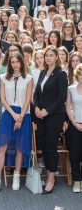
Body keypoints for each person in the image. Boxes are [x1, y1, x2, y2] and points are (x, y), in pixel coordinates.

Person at [0, 53, 33, 193]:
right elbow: (2, 99)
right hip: (8, 114)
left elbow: (28, 100)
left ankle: (16, 176)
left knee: (19, 147)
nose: (15, 64)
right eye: (13, 62)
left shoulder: (29, 78)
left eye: (17, 62)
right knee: (2, 146)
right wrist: (13, 115)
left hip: (24, 114)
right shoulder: (3, 78)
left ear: (22, 63)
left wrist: (20, 117)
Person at [33, 46, 68, 194]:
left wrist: (47, 110)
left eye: (51, 55)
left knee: (51, 147)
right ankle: (48, 172)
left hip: (54, 116)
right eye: (46, 55)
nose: (48, 58)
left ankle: (51, 178)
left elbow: (61, 98)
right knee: (43, 145)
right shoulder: (42, 72)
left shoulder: (61, 74)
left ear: (56, 57)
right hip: (40, 115)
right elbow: (36, 94)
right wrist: (36, 108)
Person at [66, 63, 82, 193]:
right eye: (80, 73)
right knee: (75, 154)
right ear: (77, 74)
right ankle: (77, 181)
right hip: (75, 125)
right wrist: (75, 123)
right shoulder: (71, 88)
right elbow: (68, 107)